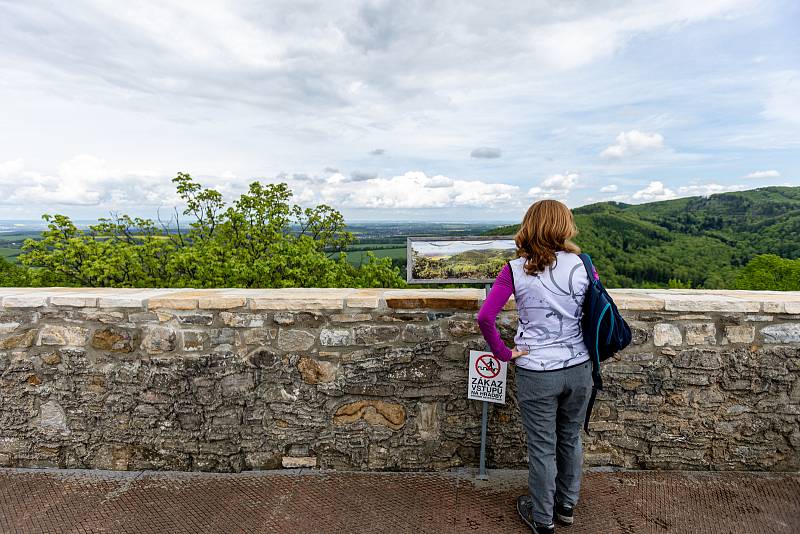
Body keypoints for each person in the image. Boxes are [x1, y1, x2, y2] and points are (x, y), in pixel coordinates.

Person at [476, 199, 597, 534]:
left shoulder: (515, 269)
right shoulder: (584, 265)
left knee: (543, 446)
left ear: (529, 225)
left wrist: (503, 353)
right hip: (579, 367)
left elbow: (485, 317)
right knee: (570, 437)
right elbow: (595, 310)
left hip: (536, 369)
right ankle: (566, 506)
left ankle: (543, 520)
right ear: (565, 226)